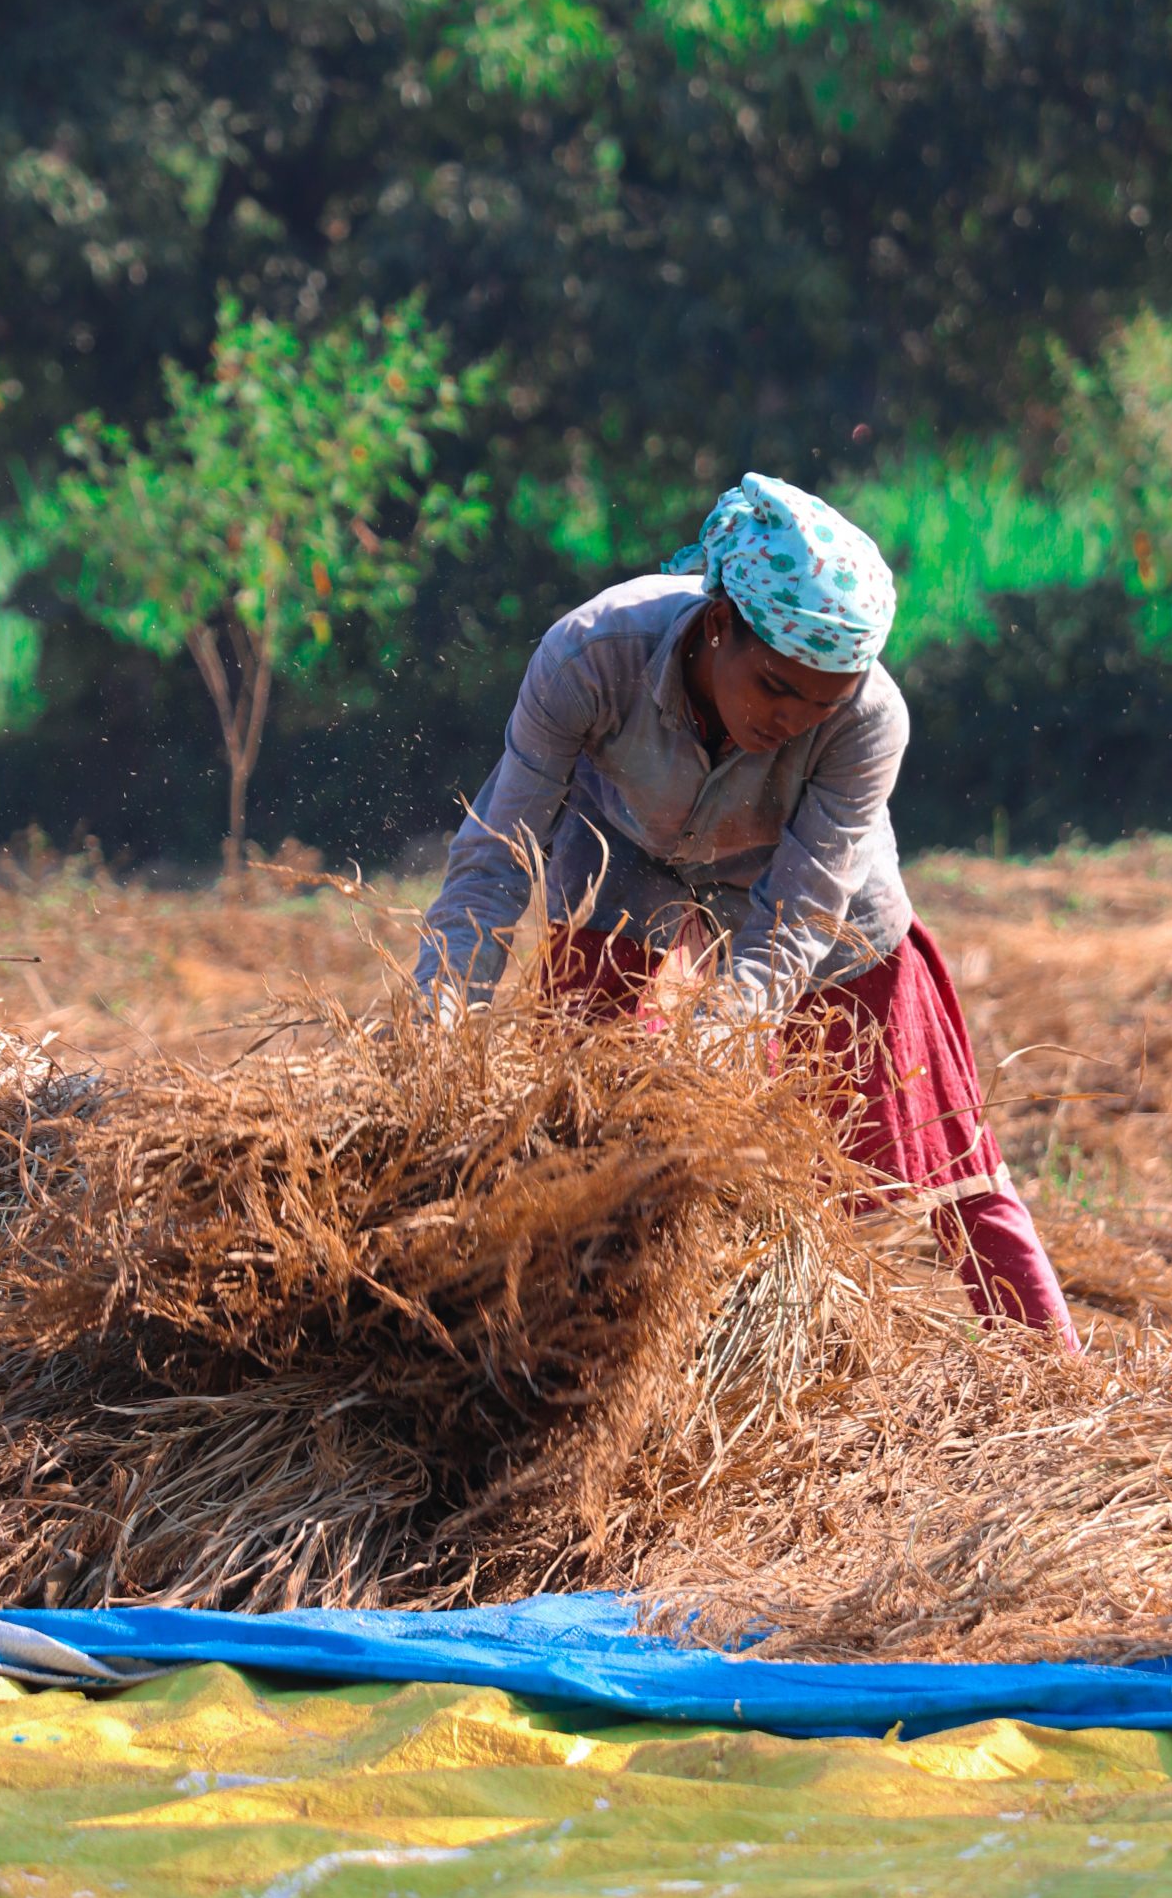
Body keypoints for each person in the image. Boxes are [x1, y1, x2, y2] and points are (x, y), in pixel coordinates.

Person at [415, 472, 1078, 1345]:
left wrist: (722, 1049)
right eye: (774, 687)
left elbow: (799, 915)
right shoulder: (590, 656)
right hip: (626, 858)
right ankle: (574, 1352)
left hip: (822, 896)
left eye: (821, 703)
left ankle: (1056, 1373)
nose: (792, 723)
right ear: (717, 624)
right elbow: (495, 861)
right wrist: (438, 1033)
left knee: (940, 1150)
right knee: (578, 1136)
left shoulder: (870, 720)